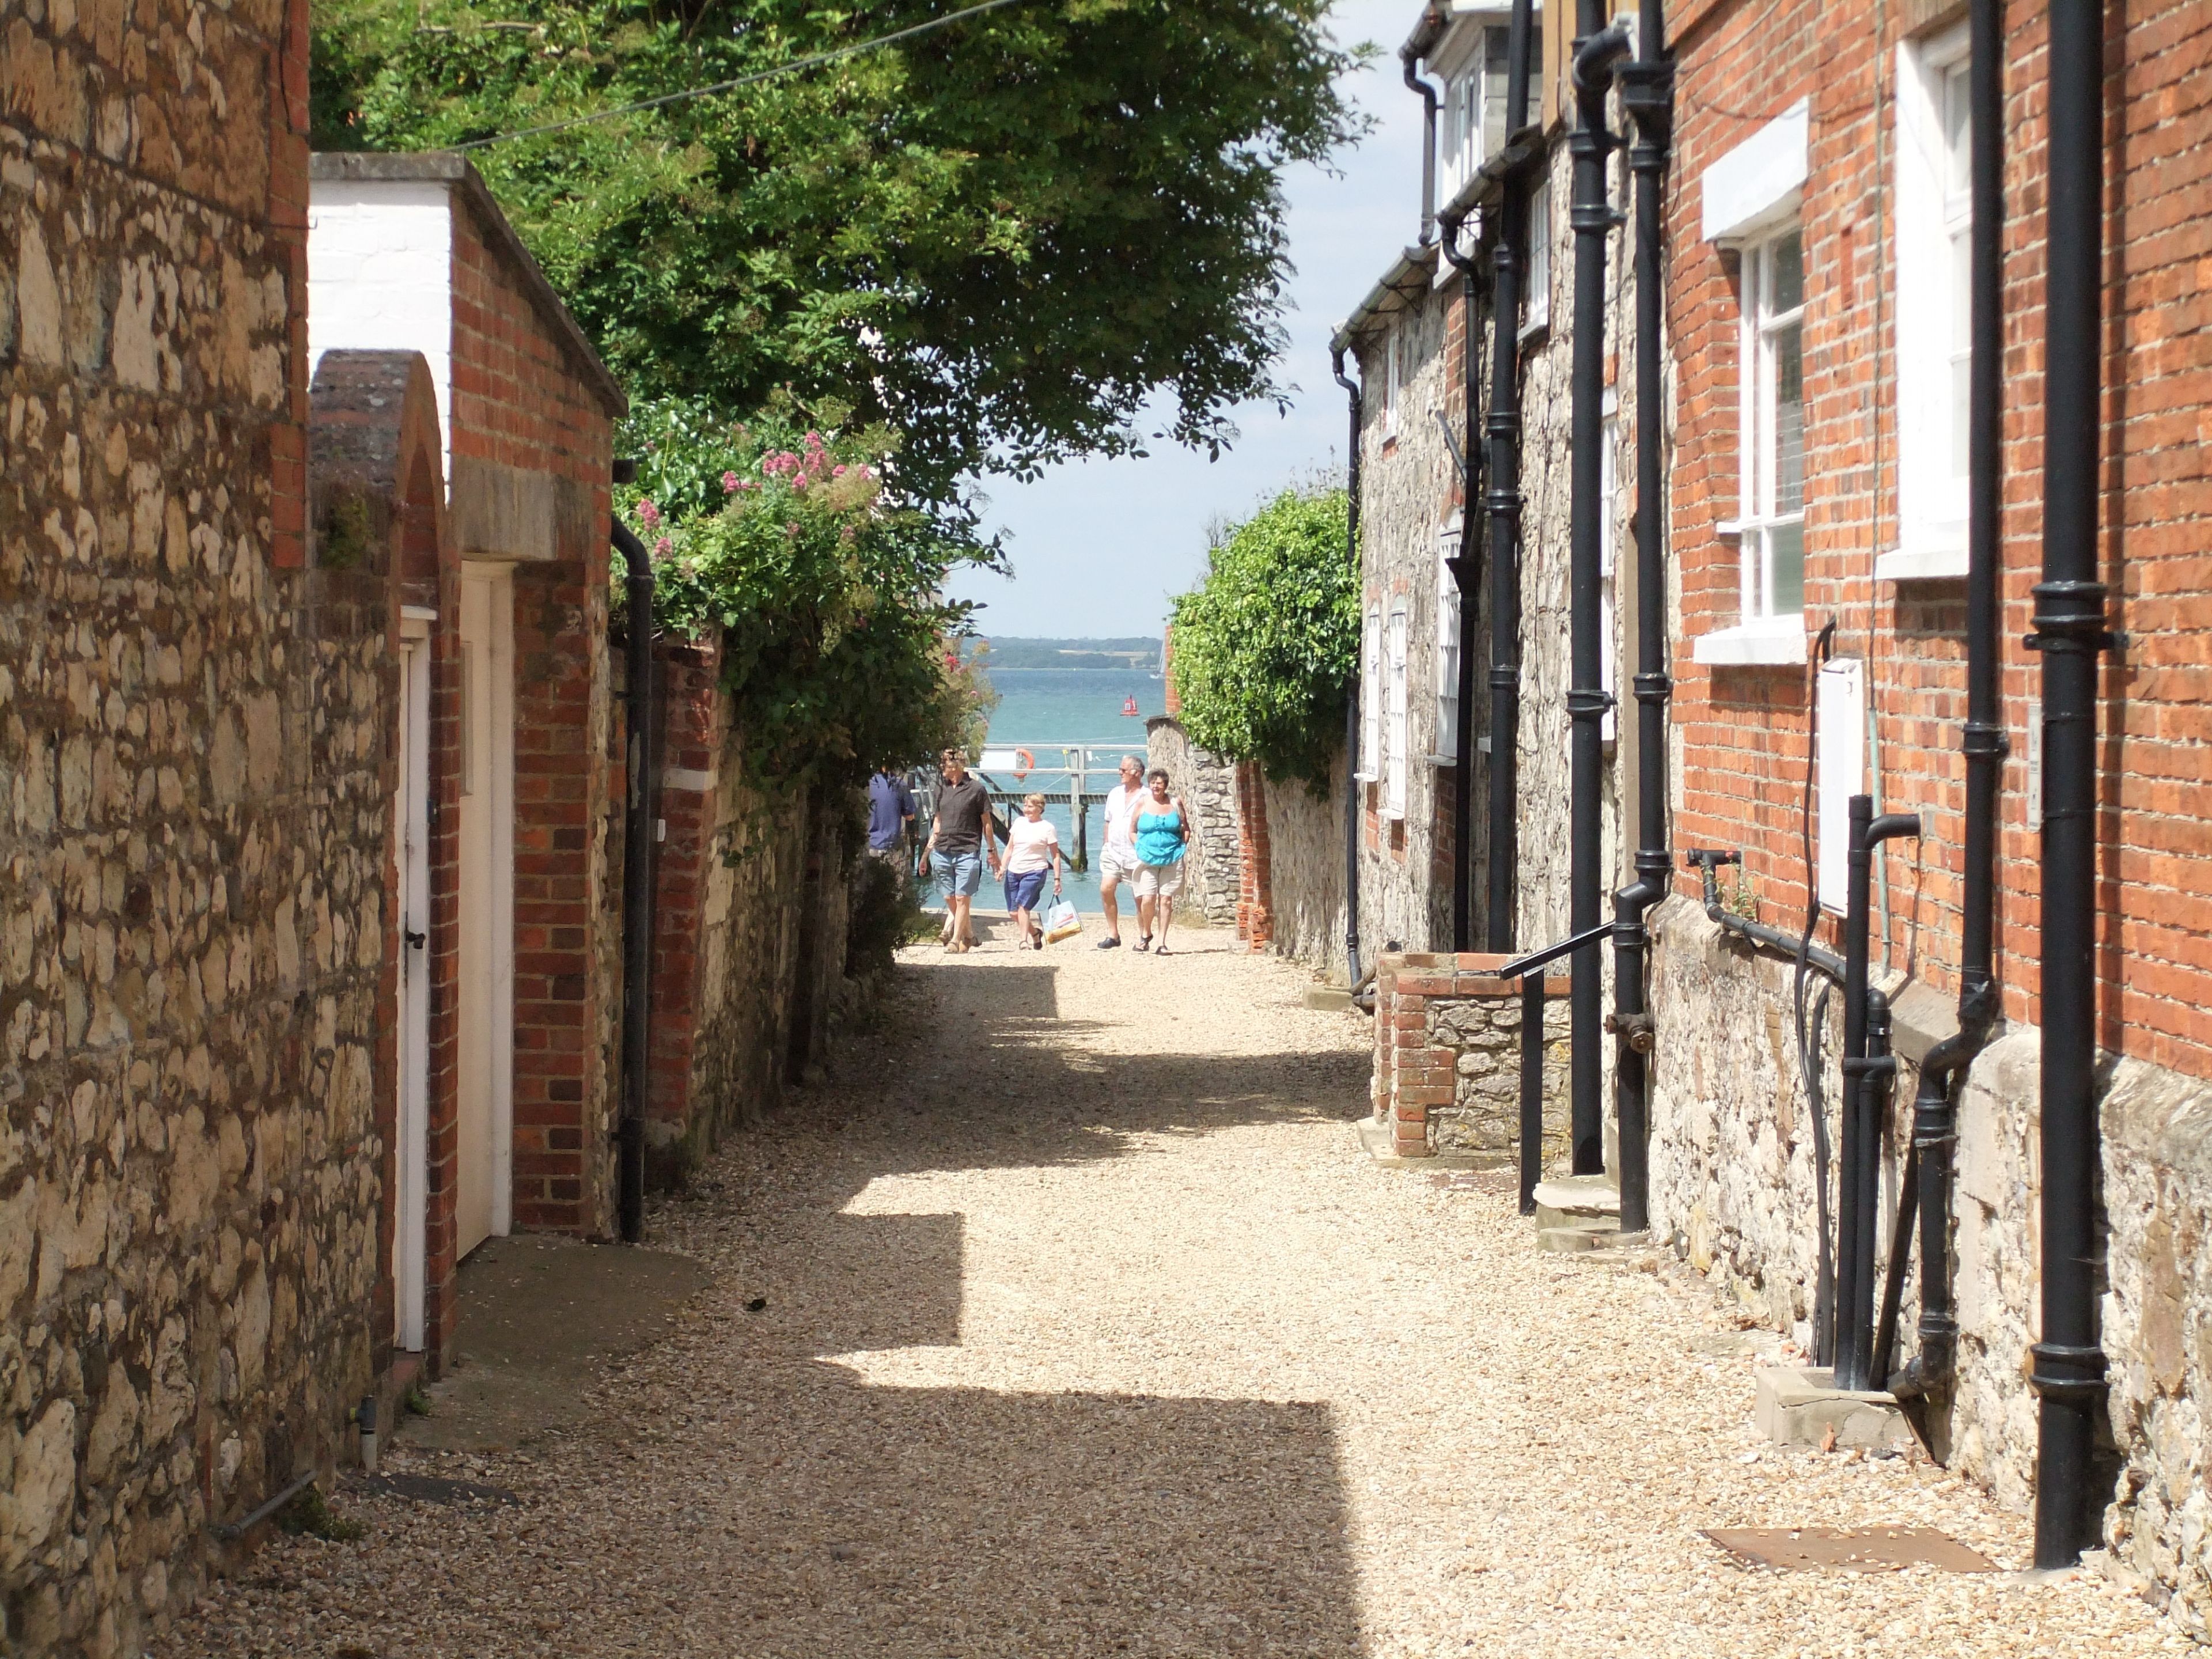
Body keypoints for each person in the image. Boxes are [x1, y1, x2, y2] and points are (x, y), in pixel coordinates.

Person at [921, 749, 997, 952]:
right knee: (949, 897)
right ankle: (969, 935)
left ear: (956, 767)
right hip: (942, 850)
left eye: (944, 764)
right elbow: (937, 821)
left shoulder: (976, 790)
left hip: (967, 850)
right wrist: (926, 854)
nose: (941, 768)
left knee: (962, 897)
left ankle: (955, 940)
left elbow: (987, 823)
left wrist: (992, 851)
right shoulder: (941, 789)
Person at [1131, 767, 1194, 955]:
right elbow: (1132, 830)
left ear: (1165, 785)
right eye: (1153, 783)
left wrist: (1182, 846)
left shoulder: (1176, 803)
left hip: (1172, 858)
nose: (1156, 786)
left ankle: (1162, 943)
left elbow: (1186, 828)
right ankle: (1146, 933)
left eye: (1159, 783)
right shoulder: (1142, 803)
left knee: (1166, 900)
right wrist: (1138, 846)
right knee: (1148, 899)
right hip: (1147, 859)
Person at [1094, 754, 1146, 949]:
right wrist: (1106, 844)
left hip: (1136, 854)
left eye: (1123, 770)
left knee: (1140, 897)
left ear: (1137, 773)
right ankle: (1113, 934)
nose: (1120, 773)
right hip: (1113, 850)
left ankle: (1144, 936)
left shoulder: (1147, 796)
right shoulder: (1115, 794)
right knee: (1106, 888)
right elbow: (1108, 821)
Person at [1001, 793, 1063, 950]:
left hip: (1035, 871)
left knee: (1023, 906)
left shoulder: (1048, 828)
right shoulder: (1019, 823)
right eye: (1025, 806)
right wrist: (1002, 867)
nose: (1026, 809)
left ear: (1040, 808)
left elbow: (1055, 855)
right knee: (1013, 913)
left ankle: (1023, 941)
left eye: (1030, 806)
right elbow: (1010, 847)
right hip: (1014, 871)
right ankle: (1035, 933)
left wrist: (1057, 879)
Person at [866, 764, 917, 866]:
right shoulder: (899, 785)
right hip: (892, 846)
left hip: (870, 845)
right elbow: (910, 816)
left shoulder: (868, 784)